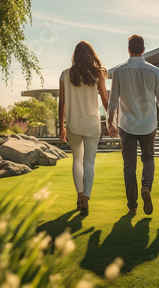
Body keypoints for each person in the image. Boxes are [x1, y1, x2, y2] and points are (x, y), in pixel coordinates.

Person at [107, 34, 159, 215]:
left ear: (128, 49)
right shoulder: (154, 71)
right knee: (148, 158)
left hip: (126, 125)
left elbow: (112, 102)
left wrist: (109, 124)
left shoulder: (119, 71)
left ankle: (132, 204)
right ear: (143, 50)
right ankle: (146, 188)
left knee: (129, 164)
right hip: (148, 124)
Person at [59, 41, 109, 215]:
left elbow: (62, 103)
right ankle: (86, 198)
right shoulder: (97, 75)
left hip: (73, 124)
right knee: (89, 161)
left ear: (74, 56)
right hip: (92, 124)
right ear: (91, 55)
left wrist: (61, 127)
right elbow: (105, 101)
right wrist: (111, 121)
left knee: (77, 160)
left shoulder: (65, 74)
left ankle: (79, 196)